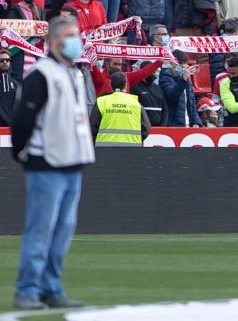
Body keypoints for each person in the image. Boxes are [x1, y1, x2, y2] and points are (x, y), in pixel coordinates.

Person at [10, 17, 96, 311]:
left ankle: (51, 287)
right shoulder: (40, 75)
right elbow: (22, 119)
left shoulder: (73, 73)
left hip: (72, 161)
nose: (77, 40)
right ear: (55, 41)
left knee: (62, 231)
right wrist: (23, 153)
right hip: (46, 162)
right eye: (72, 35)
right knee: (41, 230)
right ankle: (26, 290)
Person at [90, 71, 149, 145]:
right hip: (132, 149)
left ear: (111, 84)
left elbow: (92, 127)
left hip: (105, 149)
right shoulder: (136, 104)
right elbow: (146, 129)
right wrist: (135, 139)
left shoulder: (101, 102)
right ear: (125, 85)